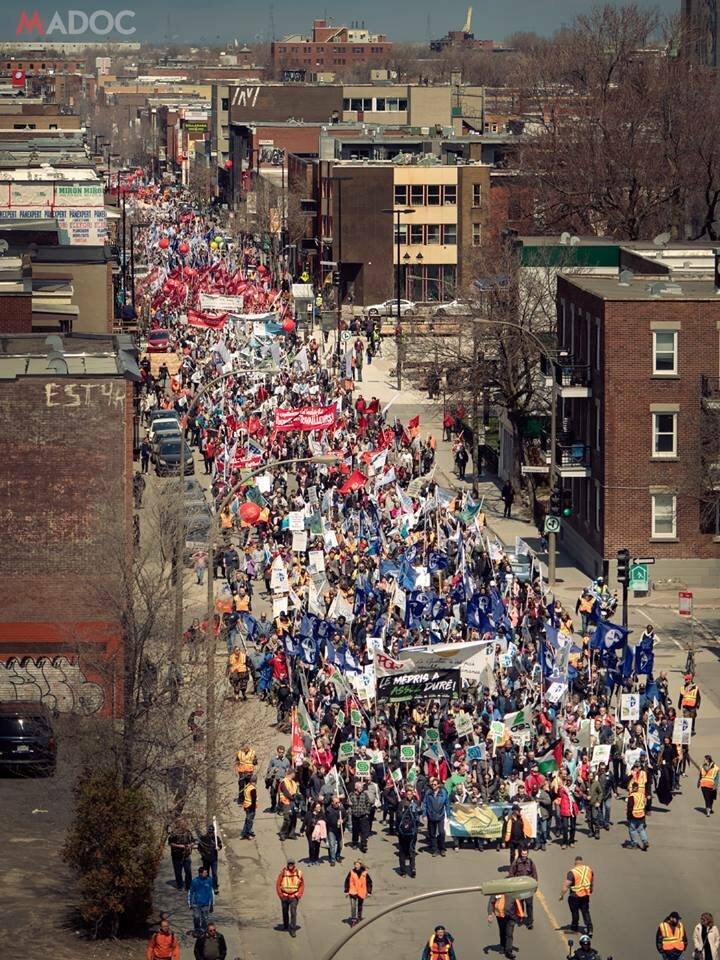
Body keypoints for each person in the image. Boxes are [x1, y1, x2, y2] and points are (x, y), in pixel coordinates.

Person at [560, 855, 593, 936]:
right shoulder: (588, 869)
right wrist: (591, 889)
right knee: (586, 912)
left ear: (575, 862)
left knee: (575, 912)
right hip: (585, 895)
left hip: (575, 896)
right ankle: (590, 929)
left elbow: (566, 885)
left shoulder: (572, 872)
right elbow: (591, 882)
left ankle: (574, 927)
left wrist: (562, 895)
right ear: (581, 862)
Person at [488, 892, 525, 959]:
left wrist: (520, 917)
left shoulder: (514, 891)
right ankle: (502, 946)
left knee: (509, 934)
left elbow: (520, 903)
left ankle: (508, 951)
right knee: (502, 931)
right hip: (500, 916)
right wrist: (490, 914)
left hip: (511, 916)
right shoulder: (496, 891)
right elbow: (491, 902)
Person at [508, 844, 538, 928]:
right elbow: (511, 874)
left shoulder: (531, 862)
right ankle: (520, 918)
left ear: (527, 853)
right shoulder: (516, 863)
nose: (524, 856)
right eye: (523, 854)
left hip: (528, 888)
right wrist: (513, 886)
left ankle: (530, 922)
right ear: (520, 853)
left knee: (529, 905)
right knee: (519, 904)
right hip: (519, 888)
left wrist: (535, 886)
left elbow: (535, 875)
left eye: (526, 854)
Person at [276, 858, 304, 938]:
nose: (290, 865)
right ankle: (285, 925)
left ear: (294, 865)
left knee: (293, 913)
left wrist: (298, 895)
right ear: (287, 865)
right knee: (285, 911)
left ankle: (292, 929)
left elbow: (302, 885)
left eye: (292, 864)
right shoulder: (283, 873)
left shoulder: (298, 873)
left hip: (294, 897)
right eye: (289, 864)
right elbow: (278, 884)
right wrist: (281, 895)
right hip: (284, 896)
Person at [423, 776, 450, 857]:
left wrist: (448, 814)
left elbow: (447, 804)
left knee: (441, 832)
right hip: (431, 815)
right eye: (432, 784)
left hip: (440, 815)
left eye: (435, 784)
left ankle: (442, 848)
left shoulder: (443, 793)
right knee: (432, 833)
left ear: (438, 785)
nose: (433, 786)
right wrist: (424, 814)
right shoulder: (428, 793)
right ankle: (435, 849)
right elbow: (424, 804)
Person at [397, 786, 420, 877]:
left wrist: (418, 812)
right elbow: (398, 816)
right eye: (408, 794)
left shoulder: (415, 803)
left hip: (412, 831)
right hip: (403, 831)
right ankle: (403, 870)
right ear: (405, 794)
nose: (409, 796)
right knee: (402, 851)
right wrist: (404, 812)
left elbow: (418, 815)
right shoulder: (402, 803)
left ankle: (413, 868)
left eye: (411, 794)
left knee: (412, 850)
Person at [344, 858, 373, 926]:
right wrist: (346, 891)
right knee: (353, 906)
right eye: (355, 864)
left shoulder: (365, 873)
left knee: (360, 905)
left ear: (360, 865)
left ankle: (359, 917)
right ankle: (354, 920)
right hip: (353, 891)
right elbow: (347, 881)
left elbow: (369, 882)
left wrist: (369, 892)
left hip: (361, 891)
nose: (355, 866)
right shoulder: (351, 872)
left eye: (357, 864)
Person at [188, 866, 215, 937]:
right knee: (196, 917)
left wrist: (212, 903)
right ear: (200, 873)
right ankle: (197, 930)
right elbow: (190, 892)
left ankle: (203, 930)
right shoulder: (194, 881)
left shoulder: (209, 880)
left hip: (205, 904)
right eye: (205, 873)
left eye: (206, 872)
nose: (206, 874)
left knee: (205, 918)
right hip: (196, 903)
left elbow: (211, 892)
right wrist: (190, 903)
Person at [168, 819, 194, 891]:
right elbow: (171, 843)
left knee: (188, 872)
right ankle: (180, 886)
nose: (184, 825)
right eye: (182, 824)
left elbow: (193, 841)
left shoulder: (188, 832)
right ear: (178, 824)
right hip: (177, 856)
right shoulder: (174, 833)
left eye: (185, 824)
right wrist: (180, 846)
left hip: (186, 855)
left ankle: (188, 886)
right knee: (178, 872)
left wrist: (190, 845)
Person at [197, 823, 222, 894]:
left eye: (212, 832)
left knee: (214, 874)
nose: (211, 834)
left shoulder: (216, 838)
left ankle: (215, 887)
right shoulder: (203, 838)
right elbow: (199, 848)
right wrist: (203, 854)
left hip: (214, 859)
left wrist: (218, 847)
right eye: (209, 832)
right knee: (206, 874)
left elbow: (220, 845)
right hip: (206, 859)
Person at [348, 780, 373, 853]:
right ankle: (355, 843)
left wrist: (367, 812)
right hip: (355, 815)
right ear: (356, 787)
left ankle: (364, 845)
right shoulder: (351, 795)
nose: (362, 788)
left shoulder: (364, 795)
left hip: (363, 815)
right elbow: (347, 803)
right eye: (360, 787)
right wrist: (348, 803)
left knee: (364, 831)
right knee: (355, 830)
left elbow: (368, 803)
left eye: (362, 787)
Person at [625, 781, 649, 850]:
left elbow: (630, 808)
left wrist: (628, 817)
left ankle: (634, 844)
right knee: (641, 830)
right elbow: (644, 805)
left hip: (633, 816)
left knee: (632, 830)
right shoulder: (642, 795)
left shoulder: (631, 796)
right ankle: (645, 841)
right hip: (641, 815)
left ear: (632, 788)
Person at [265, 745, 290, 812]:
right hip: (274, 780)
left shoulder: (286, 761)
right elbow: (268, 769)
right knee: (273, 794)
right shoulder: (273, 760)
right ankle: (273, 806)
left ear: (284, 752)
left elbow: (289, 771)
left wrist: (287, 773)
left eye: (282, 752)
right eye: (279, 752)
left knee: (281, 795)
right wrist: (274, 769)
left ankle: (280, 808)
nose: (281, 754)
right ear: (277, 752)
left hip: (282, 781)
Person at [241, 774, 258, 839]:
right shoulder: (253, 789)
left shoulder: (247, 786)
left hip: (246, 806)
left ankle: (244, 832)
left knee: (247, 820)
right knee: (250, 821)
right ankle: (247, 834)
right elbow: (253, 800)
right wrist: (253, 809)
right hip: (250, 807)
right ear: (255, 781)